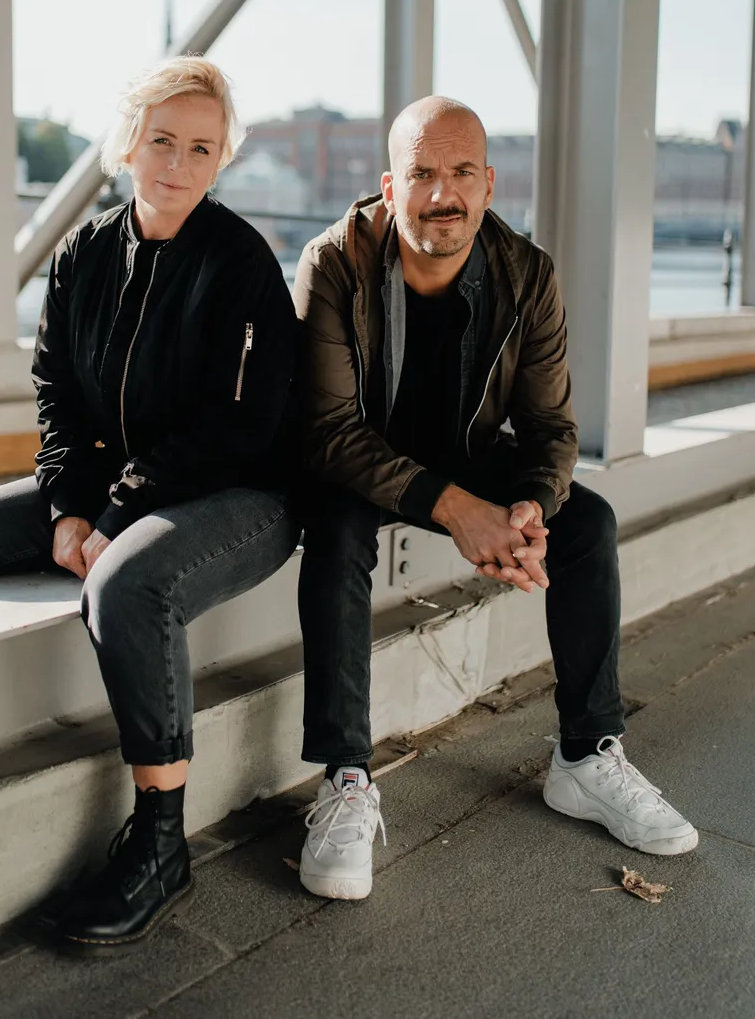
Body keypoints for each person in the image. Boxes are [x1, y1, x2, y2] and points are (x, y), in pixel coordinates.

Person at [0, 58, 300, 948]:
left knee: (126, 585)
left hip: (244, 493)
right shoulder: (85, 253)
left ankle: (162, 841)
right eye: (161, 139)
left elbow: (240, 427)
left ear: (219, 163)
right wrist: (67, 511)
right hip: (123, 485)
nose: (177, 162)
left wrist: (114, 516)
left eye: (200, 148)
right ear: (128, 146)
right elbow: (56, 395)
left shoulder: (241, 264)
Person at [292, 95, 697, 902]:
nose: (443, 193)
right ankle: (345, 778)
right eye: (422, 174)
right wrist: (455, 509)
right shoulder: (334, 261)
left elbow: (551, 428)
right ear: (389, 184)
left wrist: (529, 511)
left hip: (470, 454)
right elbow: (329, 432)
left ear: (487, 183)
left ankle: (585, 757)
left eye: (462, 173)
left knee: (590, 522)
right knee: (336, 532)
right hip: (358, 463)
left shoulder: (526, 273)